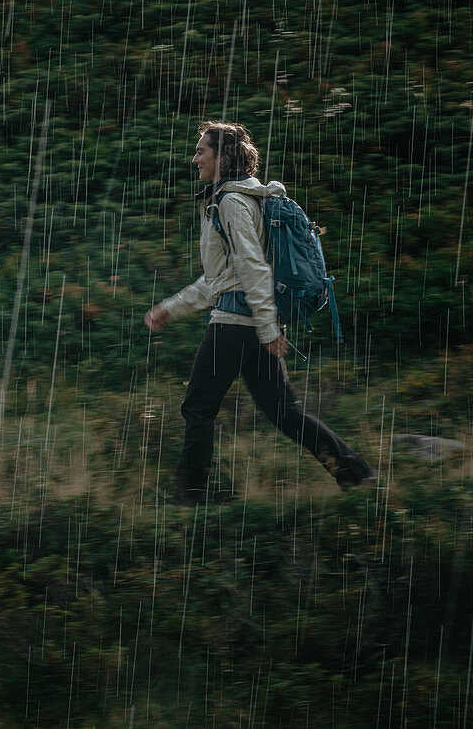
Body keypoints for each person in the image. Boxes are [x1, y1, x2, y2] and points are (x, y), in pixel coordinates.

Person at [144, 120, 376, 503]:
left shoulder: (232, 202)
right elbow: (226, 277)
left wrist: (269, 330)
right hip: (250, 324)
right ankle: (358, 476)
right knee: (285, 413)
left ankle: (191, 499)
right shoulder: (247, 200)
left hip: (235, 326)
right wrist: (173, 308)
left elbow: (251, 268)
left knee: (198, 409)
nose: (195, 157)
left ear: (222, 157)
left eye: (202, 150)